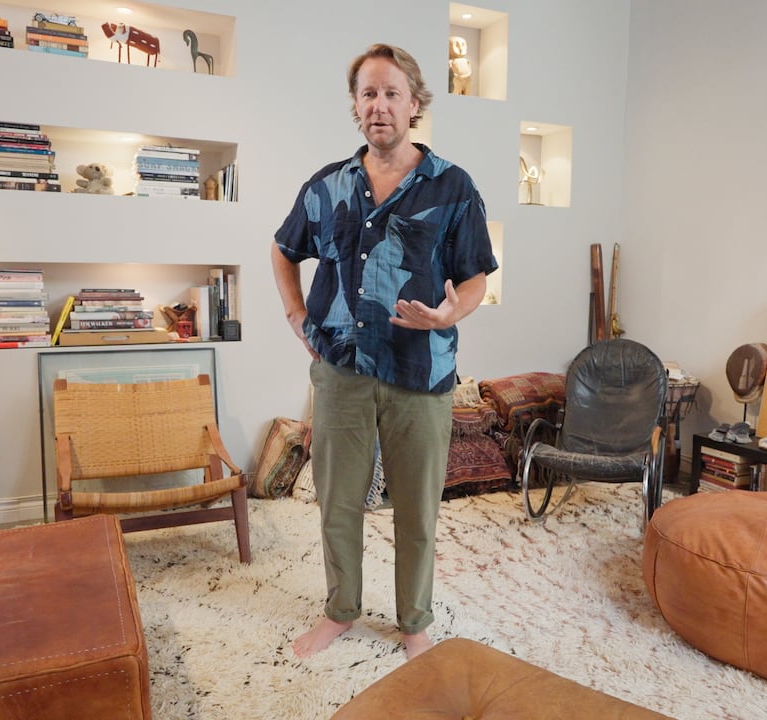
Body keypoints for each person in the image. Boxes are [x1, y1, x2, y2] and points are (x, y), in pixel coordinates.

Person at [272, 43, 498, 660]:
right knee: (337, 503)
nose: (379, 105)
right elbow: (283, 250)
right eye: (368, 93)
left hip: (420, 372)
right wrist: (296, 313)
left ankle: (415, 622)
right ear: (355, 106)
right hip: (340, 370)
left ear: (414, 103)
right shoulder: (326, 187)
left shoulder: (453, 186)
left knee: (418, 509)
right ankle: (340, 611)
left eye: (391, 93)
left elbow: (476, 275)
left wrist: (452, 311)